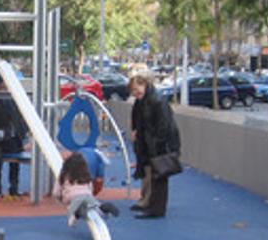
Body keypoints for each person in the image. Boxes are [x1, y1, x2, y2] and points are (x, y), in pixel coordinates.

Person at [129, 73, 180, 219]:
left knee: (159, 175)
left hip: (160, 144)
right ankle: (152, 205)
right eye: (132, 90)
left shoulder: (156, 101)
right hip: (151, 142)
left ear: (144, 84)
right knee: (155, 174)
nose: (134, 93)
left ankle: (156, 208)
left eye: (136, 89)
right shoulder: (145, 100)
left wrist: (157, 143)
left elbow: (163, 125)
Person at [53, 152, 120, 228]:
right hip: (87, 195)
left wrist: (60, 200)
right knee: (95, 206)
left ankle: (77, 214)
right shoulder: (86, 175)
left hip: (72, 197)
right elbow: (90, 187)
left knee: (80, 210)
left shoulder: (63, 175)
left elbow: (56, 192)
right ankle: (103, 208)